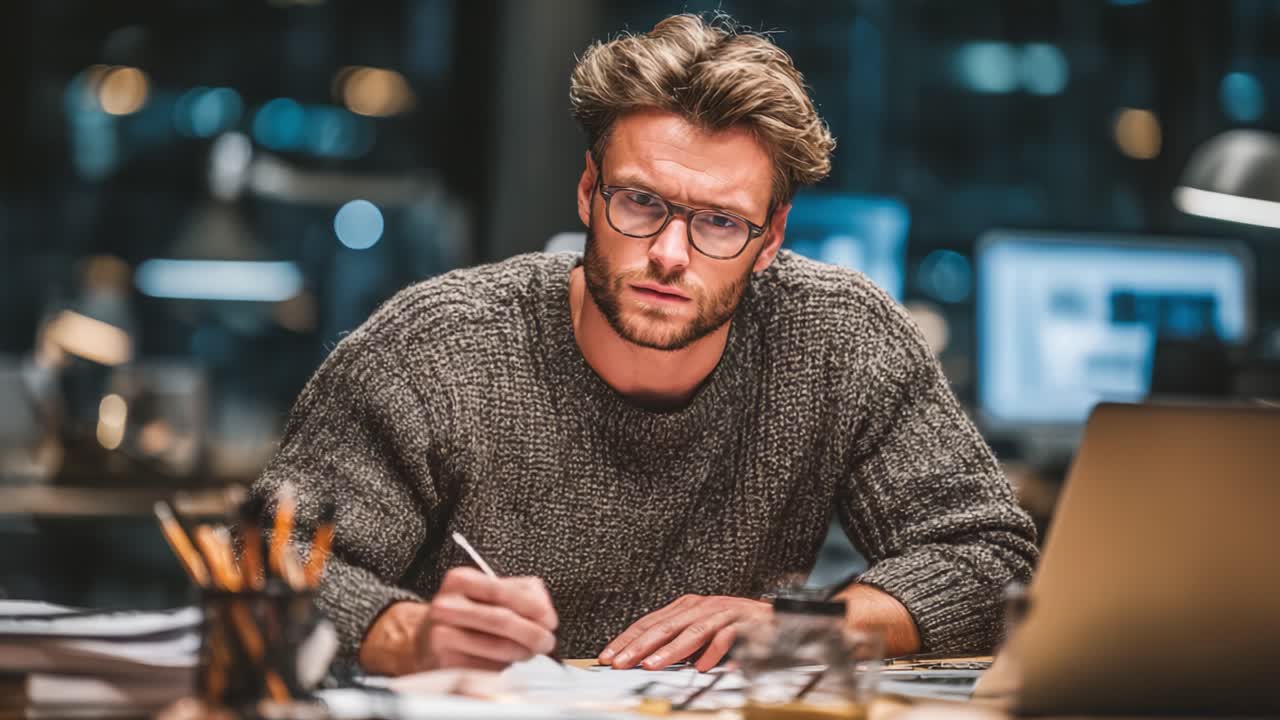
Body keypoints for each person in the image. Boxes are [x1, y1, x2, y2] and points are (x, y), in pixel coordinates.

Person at [252, 13, 1037, 676]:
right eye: (641, 202)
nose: (670, 252)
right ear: (591, 193)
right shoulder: (436, 350)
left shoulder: (839, 342)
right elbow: (261, 565)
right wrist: (406, 634)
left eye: (720, 222)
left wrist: (807, 626)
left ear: (770, 240)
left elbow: (988, 556)